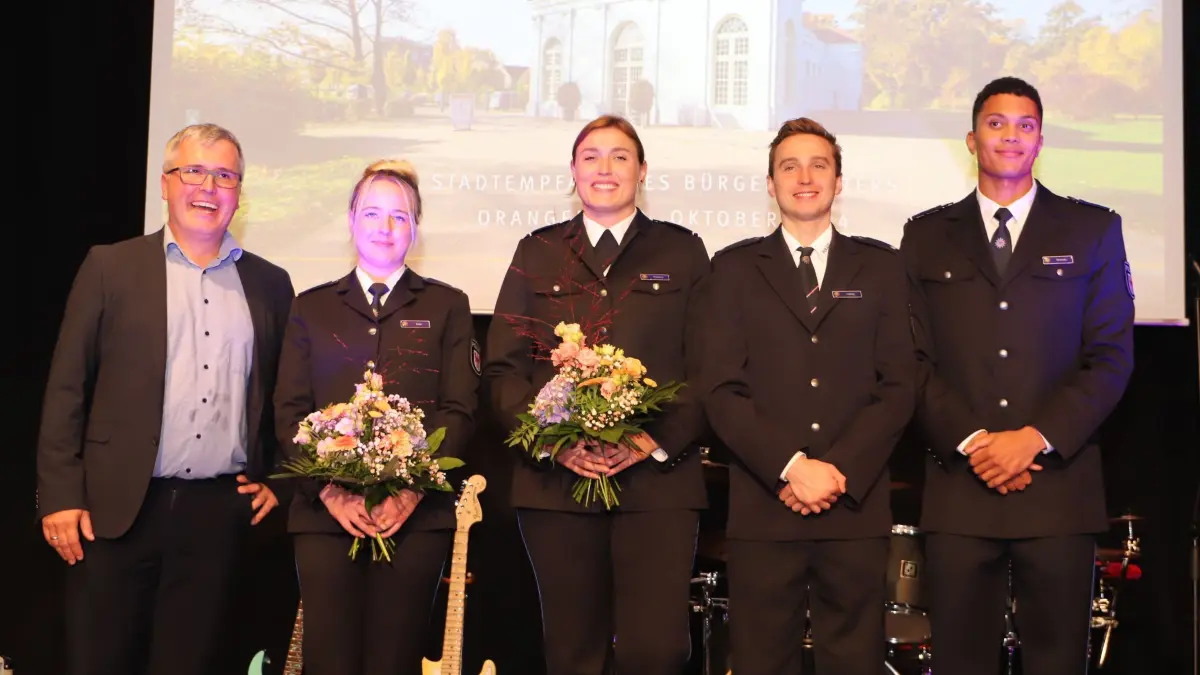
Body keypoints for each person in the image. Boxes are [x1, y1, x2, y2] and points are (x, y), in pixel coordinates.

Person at [36, 123, 296, 675]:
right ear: (165, 182)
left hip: (218, 517)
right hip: (112, 512)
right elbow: (66, 388)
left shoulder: (271, 284)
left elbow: (285, 394)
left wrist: (281, 479)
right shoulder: (110, 267)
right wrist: (60, 495)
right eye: (194, 171)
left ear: (239, 192)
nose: (208, 187)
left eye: (225, 176)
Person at [900, 76, 1135, 675]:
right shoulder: (925, 235)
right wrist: (977, 443)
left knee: (1058, 662)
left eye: (1025, 125)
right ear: (971, 139)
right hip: (961, 487)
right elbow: (910, 359)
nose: (1011, 135)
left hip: (1057, 491)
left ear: (1040, 141)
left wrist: (1033, 439)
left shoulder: (1092, 229)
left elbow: (1110, 357)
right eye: (997, 123)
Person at [482, 114, 710, 675]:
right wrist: (553, 442)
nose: (605, 168)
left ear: (642, 171)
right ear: (573, 170)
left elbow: (711, 365)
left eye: (620, 156)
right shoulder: (536, 252)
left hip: (658, 484)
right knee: (572, 652)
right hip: (557, 486)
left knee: (655, 651)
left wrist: (652, 439)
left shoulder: (682, 251)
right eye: (591, 156)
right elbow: (504, 369)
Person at [697, 117, 916, 674]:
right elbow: (720, 388)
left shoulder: (883, 266)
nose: (805, 177)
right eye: (789, 166)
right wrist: (792, 468)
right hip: (765, 507)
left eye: (819, 165)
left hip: (854, 507)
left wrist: (836, 471)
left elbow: (899, 383)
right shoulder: (733, 269)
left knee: (855, 661)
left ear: (838, 182)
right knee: (761, 660)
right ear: (770, 184)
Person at [273, 160, 479, 675]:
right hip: (324, 516)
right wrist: (330, 492)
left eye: (399, 216)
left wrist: (410, 491)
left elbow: (459, 410)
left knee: (395, 658)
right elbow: (289, 411)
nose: (385, 228)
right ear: (350, 220)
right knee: (329, 660)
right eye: (371, 213)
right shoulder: (311, 307)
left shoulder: (448, 305)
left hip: (415, 519)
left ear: (415, 227)